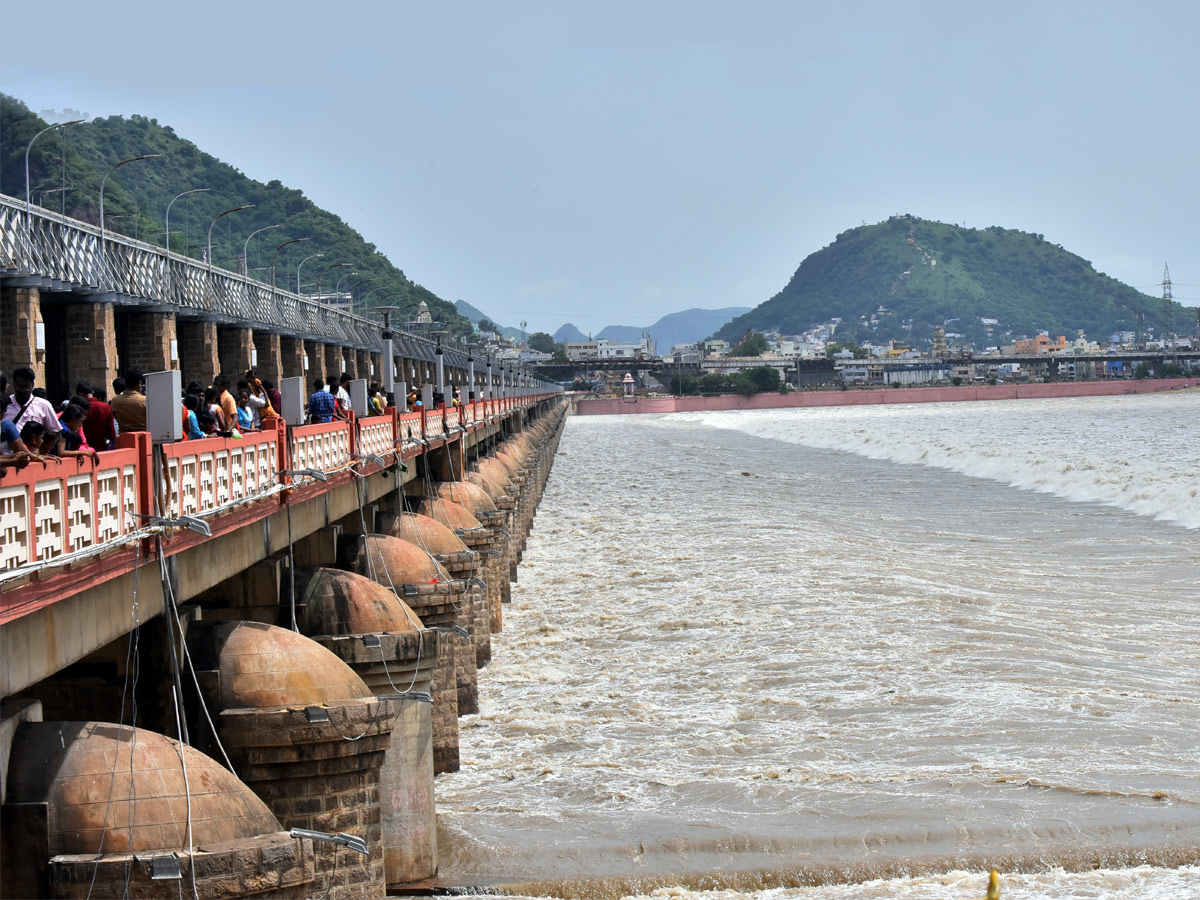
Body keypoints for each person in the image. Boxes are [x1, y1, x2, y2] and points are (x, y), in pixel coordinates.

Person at [3, 366, 65, 455]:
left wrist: (42, 447)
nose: (22, 390)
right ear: (13, 384)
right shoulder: (6, 404)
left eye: (26, 386)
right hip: (9, 456)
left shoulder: (44, 405)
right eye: (19, 386)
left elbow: (56, 434)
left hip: (35, 457)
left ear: (32, 385)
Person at [110, 369, 147, 433]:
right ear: (139, 383)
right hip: (144, 437)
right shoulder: (145, 400)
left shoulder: (115, 401)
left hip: (123, 437)